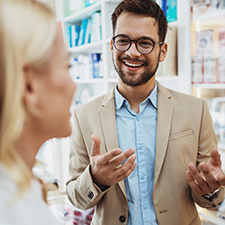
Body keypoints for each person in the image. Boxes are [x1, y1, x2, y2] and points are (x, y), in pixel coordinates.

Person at [66, 0, 225, 224]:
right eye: (123, 41)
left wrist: (209, 190)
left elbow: (210, 197)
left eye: (145, 43)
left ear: (162, 51)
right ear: (111, 46)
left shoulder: (196, 110)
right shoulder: (84, 117)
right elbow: (76, 197)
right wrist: (96, 179)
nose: (132, 52)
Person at [0, 0, 76, 224]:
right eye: (67, 67)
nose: (74, 85)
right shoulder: (15, 212)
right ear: (29, 85)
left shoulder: (20, 182)